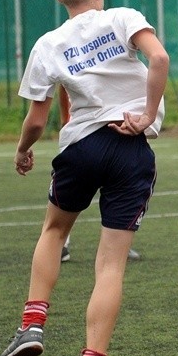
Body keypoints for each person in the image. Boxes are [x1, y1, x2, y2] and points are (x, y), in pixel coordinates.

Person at [0, 0, 168, 356]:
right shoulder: (122, 17)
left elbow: (37, 118)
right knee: (110, 264)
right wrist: (148, 113)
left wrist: (22, 150)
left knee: (54, 231)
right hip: (131, 149)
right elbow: (159, 57)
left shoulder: (48, 44)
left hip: (81, 145)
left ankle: (32, 324)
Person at [56, 86, 141, 262]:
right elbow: (62, 86)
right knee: (66, 197)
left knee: (117, 189)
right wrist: (65, 118)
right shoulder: (76, 61)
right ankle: (61, 244)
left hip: (114, 128)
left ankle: (119, 243)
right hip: (81, 133)